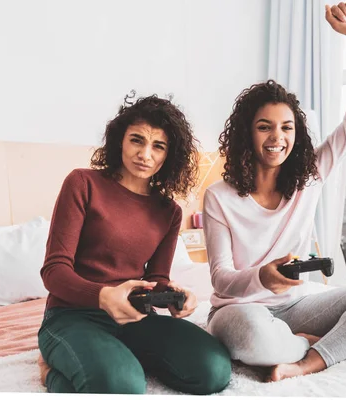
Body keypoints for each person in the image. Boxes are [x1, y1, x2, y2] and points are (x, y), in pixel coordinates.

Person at [202, 2, 346, 382]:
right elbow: (221, 278)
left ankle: (307, 360)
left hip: (295, 306)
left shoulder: (310, 176)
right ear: (246, 134)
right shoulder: (220, 196)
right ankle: (303, 344)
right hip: (239, 309)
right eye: (264, 127)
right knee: (254, 333)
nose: (277, 138)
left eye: (286, 128)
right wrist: (260, 278)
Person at [36, 93, 231, 394]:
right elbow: (54, 272)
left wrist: (176, 295)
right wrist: (103, 296)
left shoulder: (169, 212)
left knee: (214, 370)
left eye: (158, 146)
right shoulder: (83, 184)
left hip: (136, 316)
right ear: (120, 141)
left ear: (170, 155)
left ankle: (121, 358)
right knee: (123, 386)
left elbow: (156, 280)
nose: (146, 154)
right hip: (72, 316)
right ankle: (51, 372)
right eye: (137, 140)